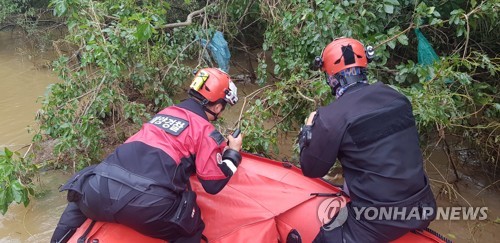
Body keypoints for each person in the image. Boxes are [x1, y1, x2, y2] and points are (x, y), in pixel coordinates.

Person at [51, 67, 243, 243]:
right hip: (145, 207)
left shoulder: (164, 113)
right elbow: (213, 184)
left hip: (97, 191)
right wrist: (233, 153)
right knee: (192, 228)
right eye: (222, 107)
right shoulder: (205, 130)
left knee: (80, 194)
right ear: (217, 107)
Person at [298, 38, 436, 242]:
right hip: (424, 207)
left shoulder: (331, 117)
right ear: (365, 67)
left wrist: (307, 131)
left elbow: (311, 169)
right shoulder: (398, 98)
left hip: (378, 220)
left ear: (331, 77)